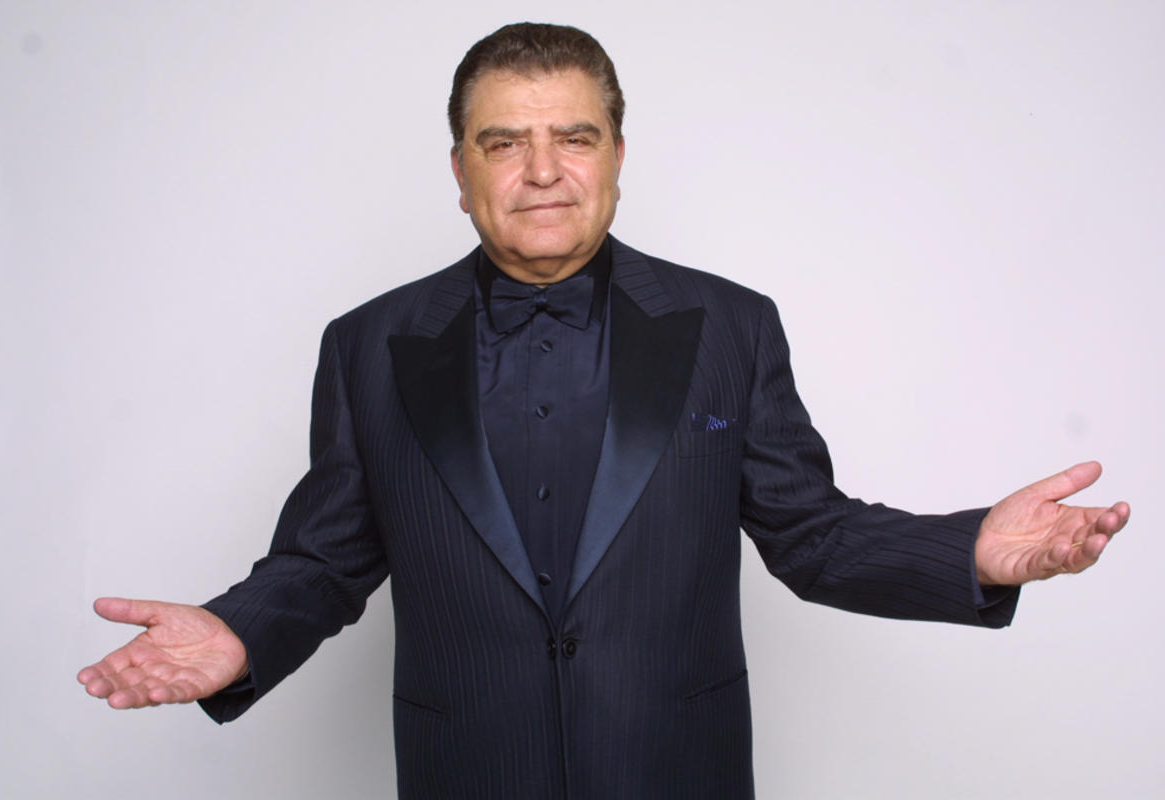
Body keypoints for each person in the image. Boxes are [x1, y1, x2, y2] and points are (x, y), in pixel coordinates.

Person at [77, 22, 1129, 799]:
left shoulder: (731, 327)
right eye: (503, 143)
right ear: (459, 169)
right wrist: (238, 632)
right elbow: (325, 560)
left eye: (573, 137)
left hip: (677, 771)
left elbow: (813, 537)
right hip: (467, 773)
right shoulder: (367, 345)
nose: (542, 171)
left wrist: (971, 552)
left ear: (617, 156)